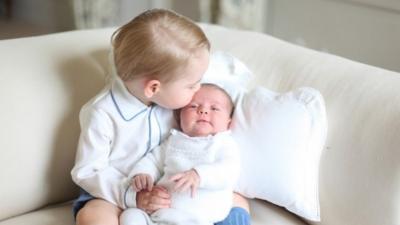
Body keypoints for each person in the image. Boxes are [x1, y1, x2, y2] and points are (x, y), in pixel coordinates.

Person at [71, 8, 250, 225]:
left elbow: (221, 78)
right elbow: (87, 171)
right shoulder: (102, 113)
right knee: (93, 217)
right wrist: (133, 196)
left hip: (176, 190)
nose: (198, 88)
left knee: (238, 200)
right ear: (153, 87)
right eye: (192, 85)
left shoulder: (173, 89)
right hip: (115, 192)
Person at [120, 84, 243, 225]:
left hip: (196, 219)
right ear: (179, 117)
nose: (203, 111)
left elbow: (230, 170)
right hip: (158, 214)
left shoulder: (224, 143)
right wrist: (143, 174)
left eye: (214, 108)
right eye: (193, 106)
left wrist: (199, 175)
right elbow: (153, 160)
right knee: (130, 215)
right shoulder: (174, 140)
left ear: (228, 122)